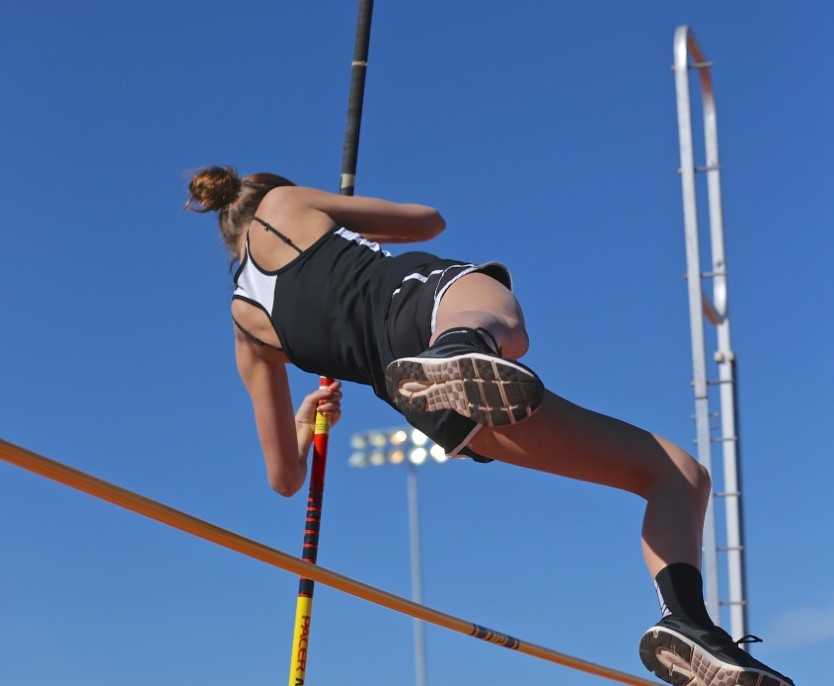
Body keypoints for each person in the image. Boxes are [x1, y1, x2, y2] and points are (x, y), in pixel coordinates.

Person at [186, 166, 793, 686]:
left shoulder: (246, 327)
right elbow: (426, 221)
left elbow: (284, 479)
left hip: (431, 410)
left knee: (678, 475)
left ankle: (688, 624)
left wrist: (303, 418)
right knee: (502, 320)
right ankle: (463, 344)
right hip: (418, 304)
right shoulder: (283, 201)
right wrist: (343, 222)